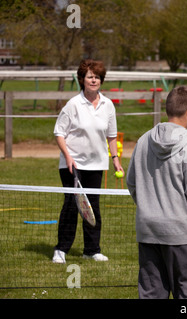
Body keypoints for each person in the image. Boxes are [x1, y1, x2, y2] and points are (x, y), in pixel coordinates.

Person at [126, 85, 187, 299]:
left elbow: (132, 183)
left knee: (151, 294)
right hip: (181, 235)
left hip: (148, 231)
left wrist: (150, 208)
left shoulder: (143, 140)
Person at [52, 59, 124, 264]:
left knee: (93, 207)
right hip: (72, 165)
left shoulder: (108, 105)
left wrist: (115, 160)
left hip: (96, 164)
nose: (94, 80)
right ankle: (61, 249)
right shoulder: (73, 104)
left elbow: (111, 136)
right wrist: (67, 156)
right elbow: (59, 133)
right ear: (82, 79)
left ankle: (91, 250)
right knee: (71, 206)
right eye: (90, 76)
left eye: (97, 77)